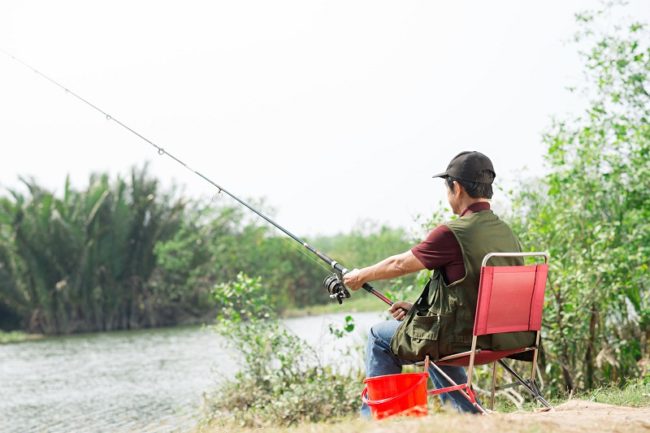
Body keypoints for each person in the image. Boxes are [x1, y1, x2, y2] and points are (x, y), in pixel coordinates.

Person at [343, 151, 534, 415]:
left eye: (447, 187)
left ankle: (381, 419)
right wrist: (417, 312)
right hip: (507, 337)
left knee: (378, 337)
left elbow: (400, 264)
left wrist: (361, 276)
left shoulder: (452, 233)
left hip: (465, 340)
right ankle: (467, 413)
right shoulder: (505, 232)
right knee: (438, 337)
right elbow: (474, 293)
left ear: (455, 187)